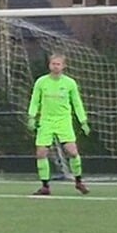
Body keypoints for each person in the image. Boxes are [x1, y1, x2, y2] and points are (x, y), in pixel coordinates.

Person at [28, 53, 90, 195]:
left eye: (58, 64)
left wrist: (83, 121)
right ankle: (45, 186)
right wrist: (31, 117)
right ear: (49, 65)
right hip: (46, 121)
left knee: (73, 152)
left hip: (63, 121)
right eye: (53, 64)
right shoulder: (41, 82)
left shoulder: (70, 83)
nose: (55, 66)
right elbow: (35, 101)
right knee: (41, 153)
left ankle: (78, 181)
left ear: (63, 66)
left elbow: (77, 103)